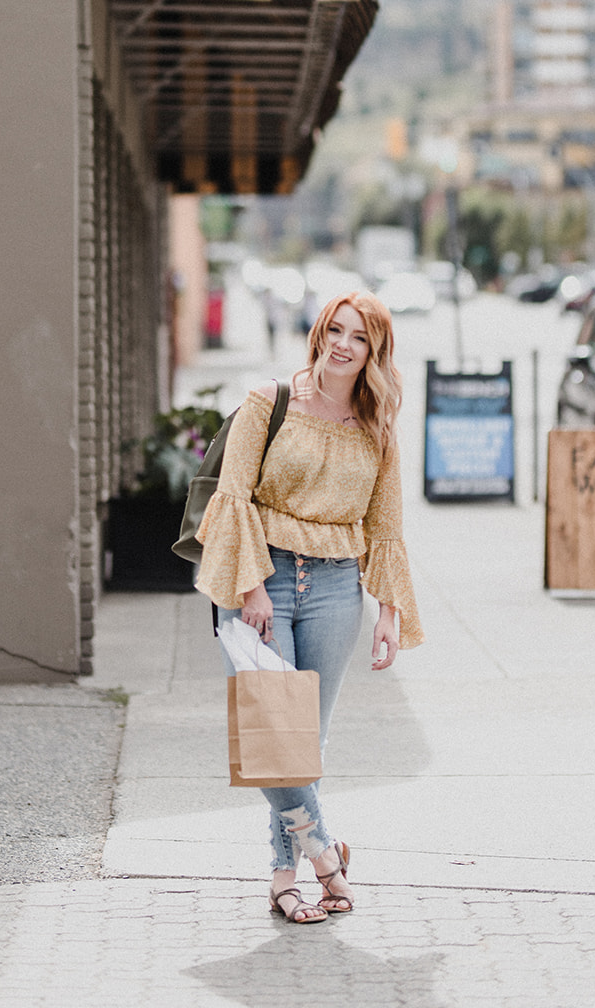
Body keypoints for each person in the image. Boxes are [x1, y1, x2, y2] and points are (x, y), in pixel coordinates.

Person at [194, 291, 424, 925]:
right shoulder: (270, 402)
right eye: (334, 330)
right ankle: (324, 858)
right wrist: (250, 589)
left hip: (335, 588)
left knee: (306, 741)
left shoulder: (377, 425)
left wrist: (388, 611)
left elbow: (385, 523)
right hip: (263, 579)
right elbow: (235, 497)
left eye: (358, 338)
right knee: (276, 735)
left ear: (375, 353)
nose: (341, 345)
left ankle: (281, 877)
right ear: (319, 333)